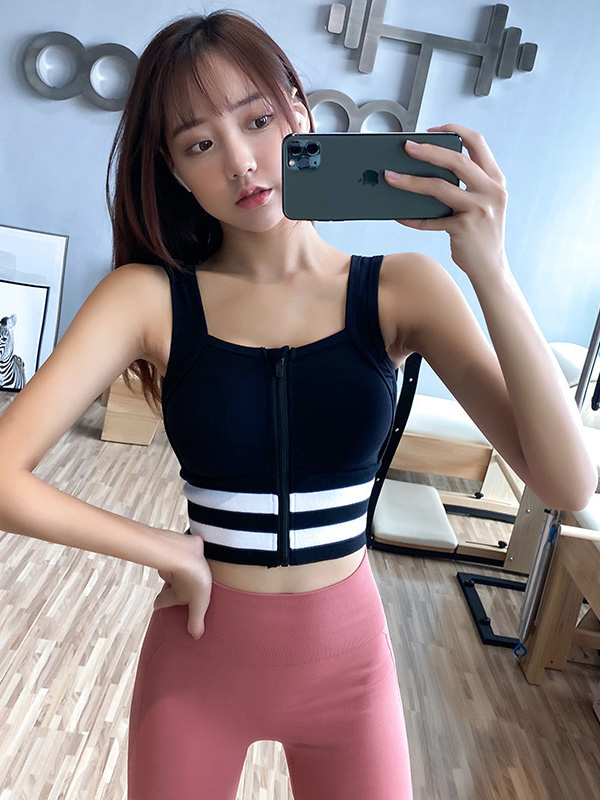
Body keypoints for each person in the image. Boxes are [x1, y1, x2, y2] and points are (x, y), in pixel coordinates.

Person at [0, 10, 596, 800]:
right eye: (199, 144)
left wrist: (489, 267)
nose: (241, 162)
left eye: (257, 120)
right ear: (174, 170)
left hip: (349, 668)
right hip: (198, 663)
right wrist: (163, 549)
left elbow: (566, 484)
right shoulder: (146, 299)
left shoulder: (402, 289)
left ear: (301, 112)